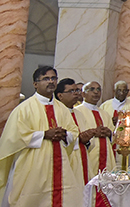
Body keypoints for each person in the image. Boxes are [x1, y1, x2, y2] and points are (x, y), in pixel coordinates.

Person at [0, 66, 82, 207]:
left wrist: (64, 134)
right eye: (46, 79)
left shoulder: (61, 108)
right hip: (33, 165)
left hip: (60, 164)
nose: (50, 81)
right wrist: (44, 134)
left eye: (53, 78)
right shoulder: (24, 108)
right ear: (35, 84)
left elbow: (74, 132)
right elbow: (14, 137)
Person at [72, 81, 115, 205]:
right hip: (89, 157)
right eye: (92, 89)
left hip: (105, 157)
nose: (96, 92)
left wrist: (109, 133)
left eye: (98, 89)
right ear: (83, 93)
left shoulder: (104, 113)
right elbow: (77, 135)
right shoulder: (77, 112)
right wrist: (93, 132)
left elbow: (114, 135)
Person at [54, 78, 103, 185]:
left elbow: (86, 141)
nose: (76, 93)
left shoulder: (79, 113)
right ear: (60, 95)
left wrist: (87, 139)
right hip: (66, 160)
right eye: (71, 91)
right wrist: (76, 139)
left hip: (82, 158)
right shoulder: (55, 113)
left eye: (76, 90)